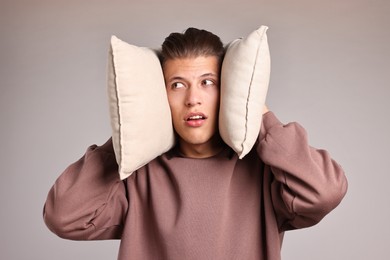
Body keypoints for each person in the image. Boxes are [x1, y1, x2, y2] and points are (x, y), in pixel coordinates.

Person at [43, 28, 348, 260]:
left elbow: (323, 192)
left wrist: (260, 113)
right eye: (177, 85)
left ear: (227, 89)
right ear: (160, 96)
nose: (193, 99)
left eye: (208, 82)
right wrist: (128, 132)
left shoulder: (265, 171)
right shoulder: (137, 175)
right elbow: (63, 217)